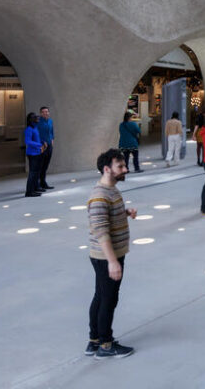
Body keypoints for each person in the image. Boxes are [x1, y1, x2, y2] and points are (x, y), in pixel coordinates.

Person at [86, 148, 137, 359]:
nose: (125, 169)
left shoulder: (112, 189)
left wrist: (125, 213)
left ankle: (94, 340)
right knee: (108, 299)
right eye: (120, 166)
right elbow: (101, 231)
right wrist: (112, 261)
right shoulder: (99, 196)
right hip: (106, 256)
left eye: (124, 165)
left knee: (101, 296)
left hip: (110, 255)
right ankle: (105, 345)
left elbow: (108, 217)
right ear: (107, 169)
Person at [24, 112, 45, 197]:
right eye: (35, 117)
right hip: (32, 154)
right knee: (32, 173)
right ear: (31, 119)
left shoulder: (35, 128)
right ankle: (29, 192)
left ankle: (35, 188)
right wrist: (39, 144)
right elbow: (27, 141)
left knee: (36, 172)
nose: (37, 118)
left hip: (38, 152)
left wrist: (42, 142)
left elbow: (37, 139)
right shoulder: (29, 129)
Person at [37, 105, 55, 190]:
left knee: (45, 165)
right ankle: (38, 184)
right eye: (43, 112)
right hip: (42, 146)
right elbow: (36, 134)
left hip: (49, 145)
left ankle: (43, 182)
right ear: (40, 113)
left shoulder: (50, 121)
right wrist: (41, 143)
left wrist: (52, 139)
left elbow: (51, 131)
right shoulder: (38, 122)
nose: (45, 113)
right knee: (40, 165)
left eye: (47, 112)